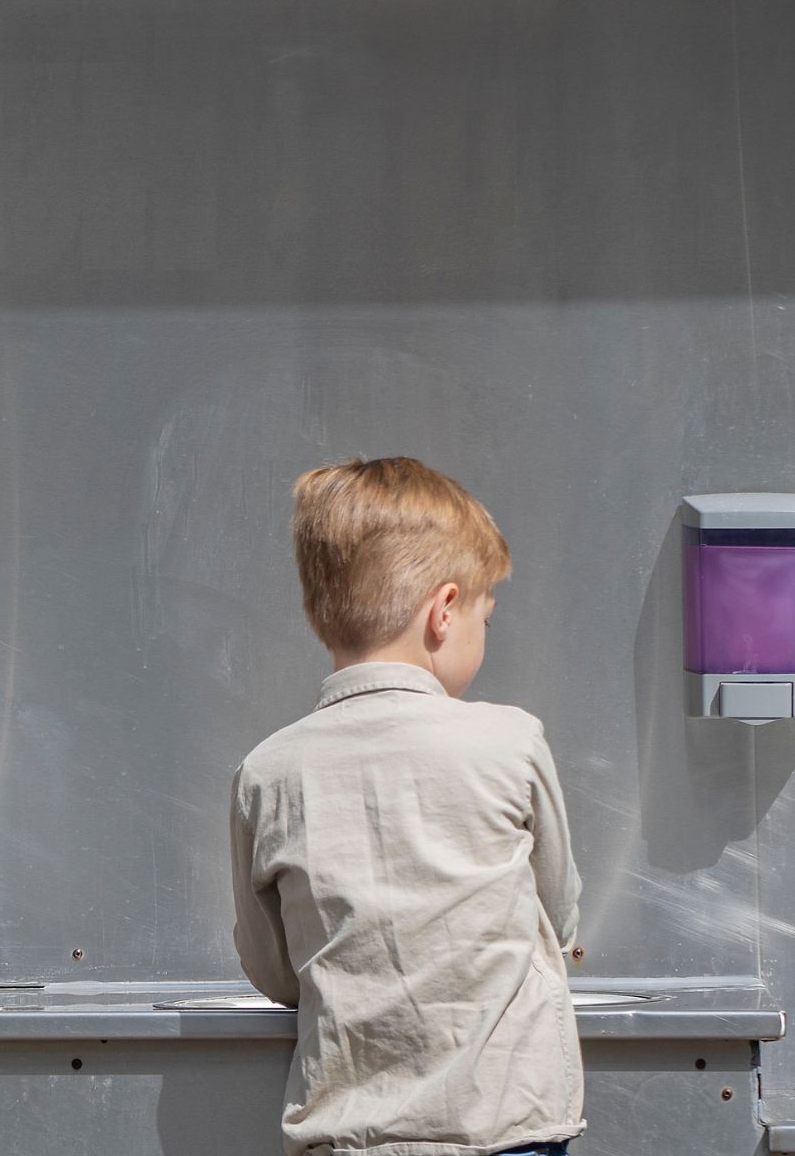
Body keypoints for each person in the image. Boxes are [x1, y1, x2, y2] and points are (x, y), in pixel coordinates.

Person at [229, 457, 588, 1156]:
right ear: (445, 610)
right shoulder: (510, 743)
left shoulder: (267, 772)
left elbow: (274, 972)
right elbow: (558, 910)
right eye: (485, 617)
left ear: (314, 613)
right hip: (506, 1124)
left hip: (350, 1135)